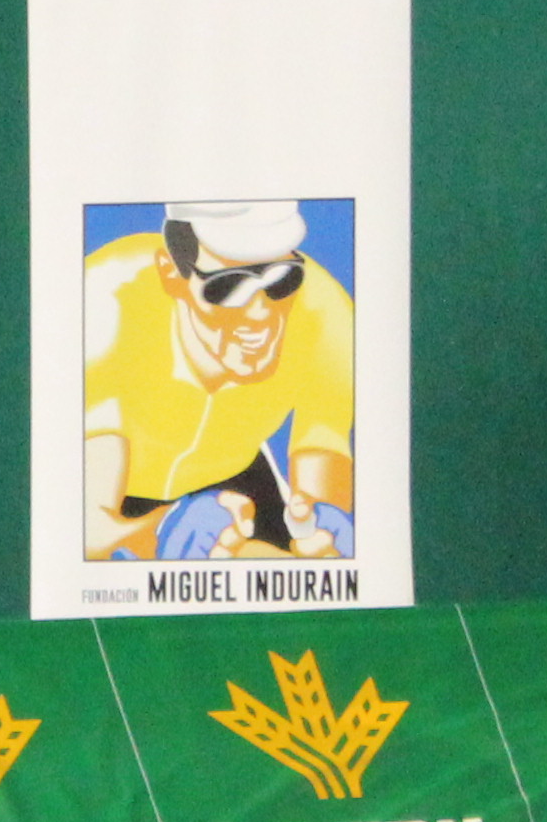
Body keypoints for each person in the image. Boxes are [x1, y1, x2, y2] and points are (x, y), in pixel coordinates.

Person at [81, 200, 360, 561]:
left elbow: (320, 480)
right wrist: (160, 532)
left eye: (281, 281)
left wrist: (322, 534)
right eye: (228, 286)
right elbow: (92, 526)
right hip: (122, 485)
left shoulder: (325, 311)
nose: (261, 314)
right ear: (171, 274)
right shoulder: (105, 300)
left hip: (236, 473)